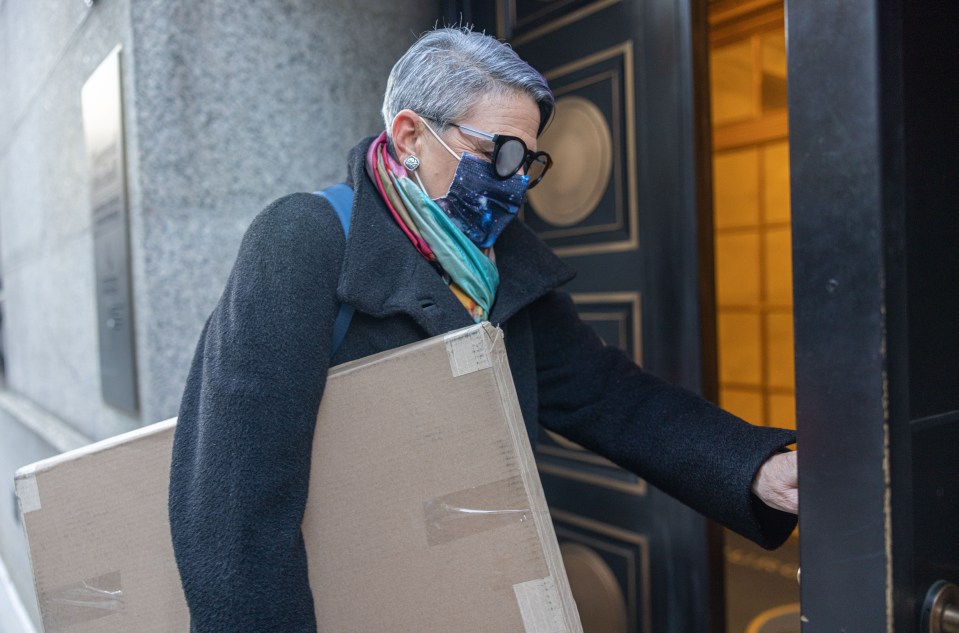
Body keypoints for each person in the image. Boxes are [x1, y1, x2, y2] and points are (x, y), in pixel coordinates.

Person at [169, 26, 798, 633]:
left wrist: (754, 468)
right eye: (496, 153)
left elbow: (608, 395)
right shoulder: (304, 239)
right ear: (411, 135)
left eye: (528, 161)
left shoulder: (504, 260)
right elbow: (232, 506)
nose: (515, 181)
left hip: (470, 588)